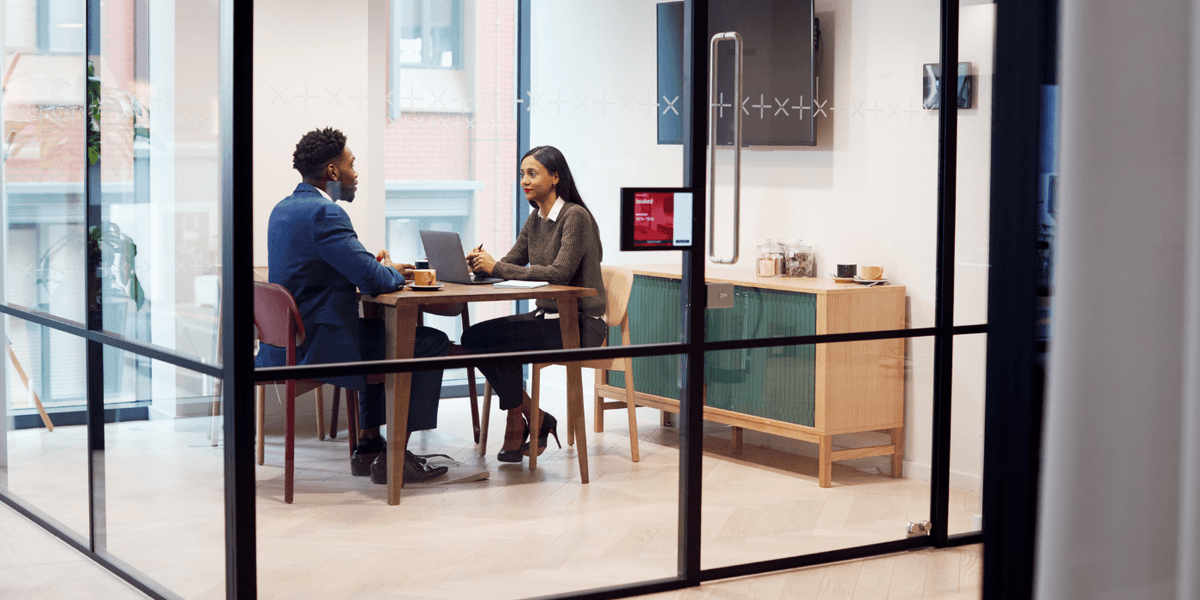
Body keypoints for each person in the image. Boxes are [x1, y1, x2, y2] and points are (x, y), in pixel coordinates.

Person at [256, 127, 449, 484]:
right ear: (332, 172)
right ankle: (394, 458)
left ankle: (369, 447)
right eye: (352, 164)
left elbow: (340, 265)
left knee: (382, 337)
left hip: (288, 342)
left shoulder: (283, 209)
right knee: (427, 343)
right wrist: (390, 271)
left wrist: (377, 268)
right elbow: (373, 280)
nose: (355, 174)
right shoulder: (324, 214)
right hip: (320, 345)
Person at [462, 145, 607, 463]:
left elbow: (559, 274)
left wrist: (496, 267)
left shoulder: (575, 217)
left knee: (500, 341)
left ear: (556, 177)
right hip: (547, 317)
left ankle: (518, 420)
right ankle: (532, 414)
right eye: (521, 174)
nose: (524, 180)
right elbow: (510, 263)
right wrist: (478, 265)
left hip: (582, 324)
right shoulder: (535, 219)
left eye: (532, 173)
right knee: (472, 338)